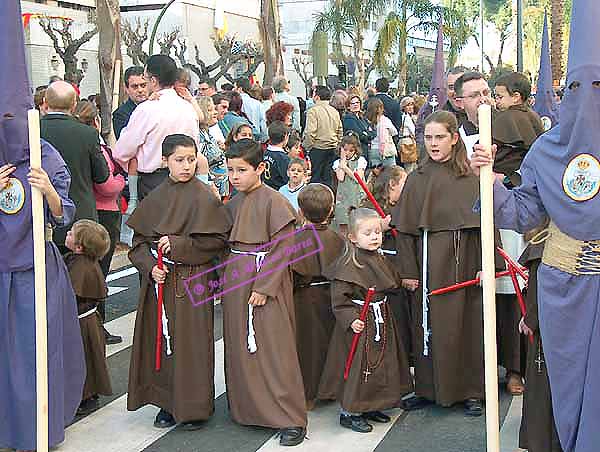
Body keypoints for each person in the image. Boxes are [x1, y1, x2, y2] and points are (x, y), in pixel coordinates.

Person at [471, 3, 600, 449]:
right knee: (569, 390)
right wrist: (489, 182)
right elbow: (523, 214)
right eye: (577, 86)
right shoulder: (546, 150)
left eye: (599, 85)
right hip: (564, 288)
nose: (589, 96)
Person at [1, 5, 86, 445]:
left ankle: (39, 426)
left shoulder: (44, 154)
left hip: (35, 268)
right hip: (1, 270)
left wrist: (46, 191)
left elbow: (64, 213)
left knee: (37, 353)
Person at [126, 134, 229, 430]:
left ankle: (195, 407)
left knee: (193, 345)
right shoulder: (156, 197)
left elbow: (217, 240)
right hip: (161, 282)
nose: (187, 165)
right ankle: (167, 403)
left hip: (193, 280)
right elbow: (139, 243)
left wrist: (180, 244)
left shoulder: (205, 196)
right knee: (163, 343)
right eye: (179, 160)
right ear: (165, 161)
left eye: (191, 159)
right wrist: (149, 268)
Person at [393, 111, 492, 416]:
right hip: (426, 264)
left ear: (453, 139)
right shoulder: (417, 179)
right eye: (429, 137)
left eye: (440, 137)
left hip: (464, 262)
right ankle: (427, 388)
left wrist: (486, 263)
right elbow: (405, 231)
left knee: (466, 326)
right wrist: (408, 271)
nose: (433, 144)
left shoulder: (470, 176)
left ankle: (470, 391)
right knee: (426, 325)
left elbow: (486, 224)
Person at [221, 139, 307, 446]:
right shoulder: (232, 202)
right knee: (240, 347)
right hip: (236, 281)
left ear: (260, 168)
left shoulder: (274, 201)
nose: (234, 176)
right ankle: (249, 409)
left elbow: (285, 247)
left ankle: (290, 417)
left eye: (241, 170)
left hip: (262, 282)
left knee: (273, 348)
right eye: (230, 170)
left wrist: (264, 286)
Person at [318, 208, 413, 433]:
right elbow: (339, 299)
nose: (374, 237)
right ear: (352, 237)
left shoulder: (379, 258)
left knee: (378, 364)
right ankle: (350, 412)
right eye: (367, 233)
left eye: (377, 232)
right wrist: (351, 319)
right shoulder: (349, 265)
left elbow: (390, 281)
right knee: (359, 368)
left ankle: (372, 405)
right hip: (360, 323)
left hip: (379, 318)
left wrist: (404, 282)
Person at [113, 55, 206, 201]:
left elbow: (122, 151)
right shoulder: (188, 108)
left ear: (153, 80)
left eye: (145, 78)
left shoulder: (146, 109)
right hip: (186, 178)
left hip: (155, 182)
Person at [74, 99, 126, 345]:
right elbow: (106, 185)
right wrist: (122, 182)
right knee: (97, 274)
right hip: (104, 213)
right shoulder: (96, 146)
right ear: (95, 121)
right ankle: (97, 328)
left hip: (80, 213)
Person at [40, 80, 110, 254]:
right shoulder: (87, 134)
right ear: (74, 105)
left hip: (41, 215)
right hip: (80, 217)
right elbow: (102, 175)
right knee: (79, 276)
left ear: (45, 103)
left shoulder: (32, 130)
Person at [292, 184, 343, 408]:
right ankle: (332, 389)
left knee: (307, 346)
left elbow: (290, 273)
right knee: (331, 342)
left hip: (304, 298)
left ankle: (309, 394)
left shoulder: (295, 240)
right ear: (331, 210)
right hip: (332, 296)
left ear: (301, 211)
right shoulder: (339, 239)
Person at [517, 222, 563, 452]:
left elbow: (538, 289)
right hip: (565, 326)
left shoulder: (543, 244)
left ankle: (542, 440)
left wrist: (529, 320)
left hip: (547, 330)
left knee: (542, 388)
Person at [361, 166, 411, 361]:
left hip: (399, 281)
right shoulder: (369, 209)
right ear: (392, 184)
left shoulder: (403, 207)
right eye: (403, 184)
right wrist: (379, 227)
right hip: (379, 279)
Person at [64, 220, 113, 415]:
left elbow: (72, 292)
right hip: (85, 320)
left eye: (71, 233)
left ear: (79, 246)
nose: (67, 233)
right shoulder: (82, 261)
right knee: (87, 359)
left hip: (83, 322)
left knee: (84, 359)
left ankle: (87, 397)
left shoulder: (82, 267)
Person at [493, 71, 545, 187]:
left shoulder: (506, 118)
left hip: (506, 181)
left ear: (516, 97)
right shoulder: (533, 115)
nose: (497, 101)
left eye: (500, 97)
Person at [303, 85, 343, 189]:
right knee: (328, 180)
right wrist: (337, 143)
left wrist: (308, 147)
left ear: (317, 96)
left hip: (317, 148)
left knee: (315, 180)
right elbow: (340, 131)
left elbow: (310, 133)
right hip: (332, 148)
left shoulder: (313, 111)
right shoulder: (335, 111)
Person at [332, 134, 367, 235]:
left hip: (356, 195)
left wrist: (346, 168)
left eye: (351, 150)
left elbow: (358, 178)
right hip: (344, 197)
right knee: (343, 223)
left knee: (358, 223)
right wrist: (342, 161)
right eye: (345, 149)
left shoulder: (360, 161)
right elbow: (341, 178)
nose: (348, 153)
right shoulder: (337, 163)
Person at [197, 96, 229, 198]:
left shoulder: (208, 133)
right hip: (211, 194)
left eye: (215, 109)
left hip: (221, 192)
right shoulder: (199, 137)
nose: (215, 112)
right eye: (210, 110)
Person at [112, 66, 148, 140]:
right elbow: (125, 142)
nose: (140, 90)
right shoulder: (120, 115)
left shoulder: (157, 106)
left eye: (143, 85)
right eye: (135, 86)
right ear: (127, 89)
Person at [366, 98, 398, 168]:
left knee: (376, 174)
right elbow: (394, 132)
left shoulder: (367, 121)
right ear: (381, 108)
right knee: (390, 173)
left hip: (373, 149)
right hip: (386, 150)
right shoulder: (385, 120)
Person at [235, 77, 267, 141]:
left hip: (238, 138)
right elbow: (263, 123)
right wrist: (263, 139)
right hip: (255, 137)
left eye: (235, 87)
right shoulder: (257, 104)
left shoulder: (234, 102)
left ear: (240, 89)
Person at [263, 120, 290, 190]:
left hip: (264, 190)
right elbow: (288, 179)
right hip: (278, 192)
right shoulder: (283, 158)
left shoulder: (264, 153)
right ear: (285, 137)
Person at [399, 97, 418, 173]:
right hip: (408, 144)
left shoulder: (404, 117)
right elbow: (414, 132)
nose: (411, 107)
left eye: (412, 105)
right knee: (410, 168)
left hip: (404, 142)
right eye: (408, 105)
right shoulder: (407, 118)